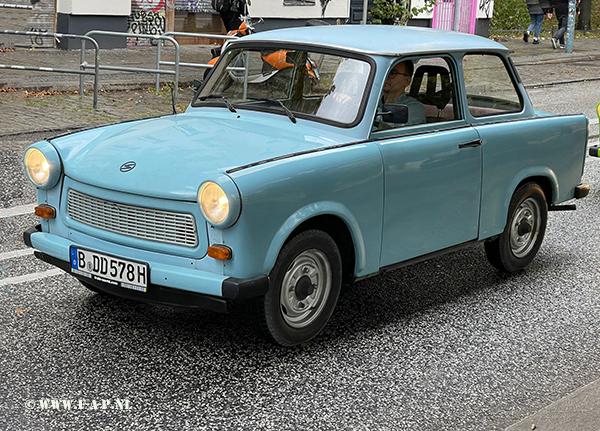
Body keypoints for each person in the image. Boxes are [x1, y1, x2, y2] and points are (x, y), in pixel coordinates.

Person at [379, 60, 426, 128]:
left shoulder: (414, 107)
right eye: (385, 72)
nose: (386, 76)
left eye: (392, 73)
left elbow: (393, 128)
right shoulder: (373, 101)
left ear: (407, 81)